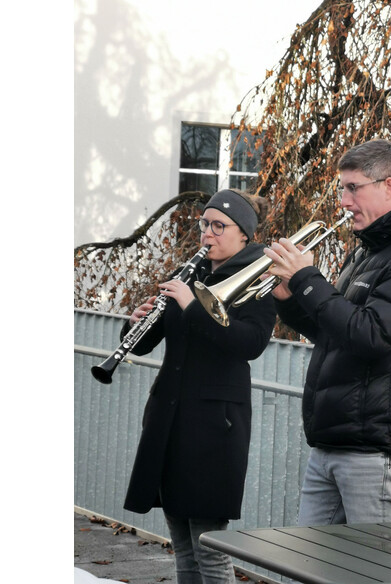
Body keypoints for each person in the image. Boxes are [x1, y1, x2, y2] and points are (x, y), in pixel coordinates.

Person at [263, 139, 391, 526]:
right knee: (311, 566)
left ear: (388, 187)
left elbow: (371, 336)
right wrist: (289, 296)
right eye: (342, 189)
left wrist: (307, 278)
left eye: (353, 188)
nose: (344, 202)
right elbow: (335, 331)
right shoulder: (367, 252)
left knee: (373, 571)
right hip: (334, 440)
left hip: (376, 449)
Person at [121, 189, 276, 584]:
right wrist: (135, 322)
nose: (207, 234)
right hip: (171, 422)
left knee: (209, 553)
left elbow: (248, 344)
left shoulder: (258, 278)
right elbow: (145, 343)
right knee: (184, 552)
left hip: (214, 428)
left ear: (243, 233)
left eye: (218, 226)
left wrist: (191, 307)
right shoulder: (190, 274)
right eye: (204, 224)